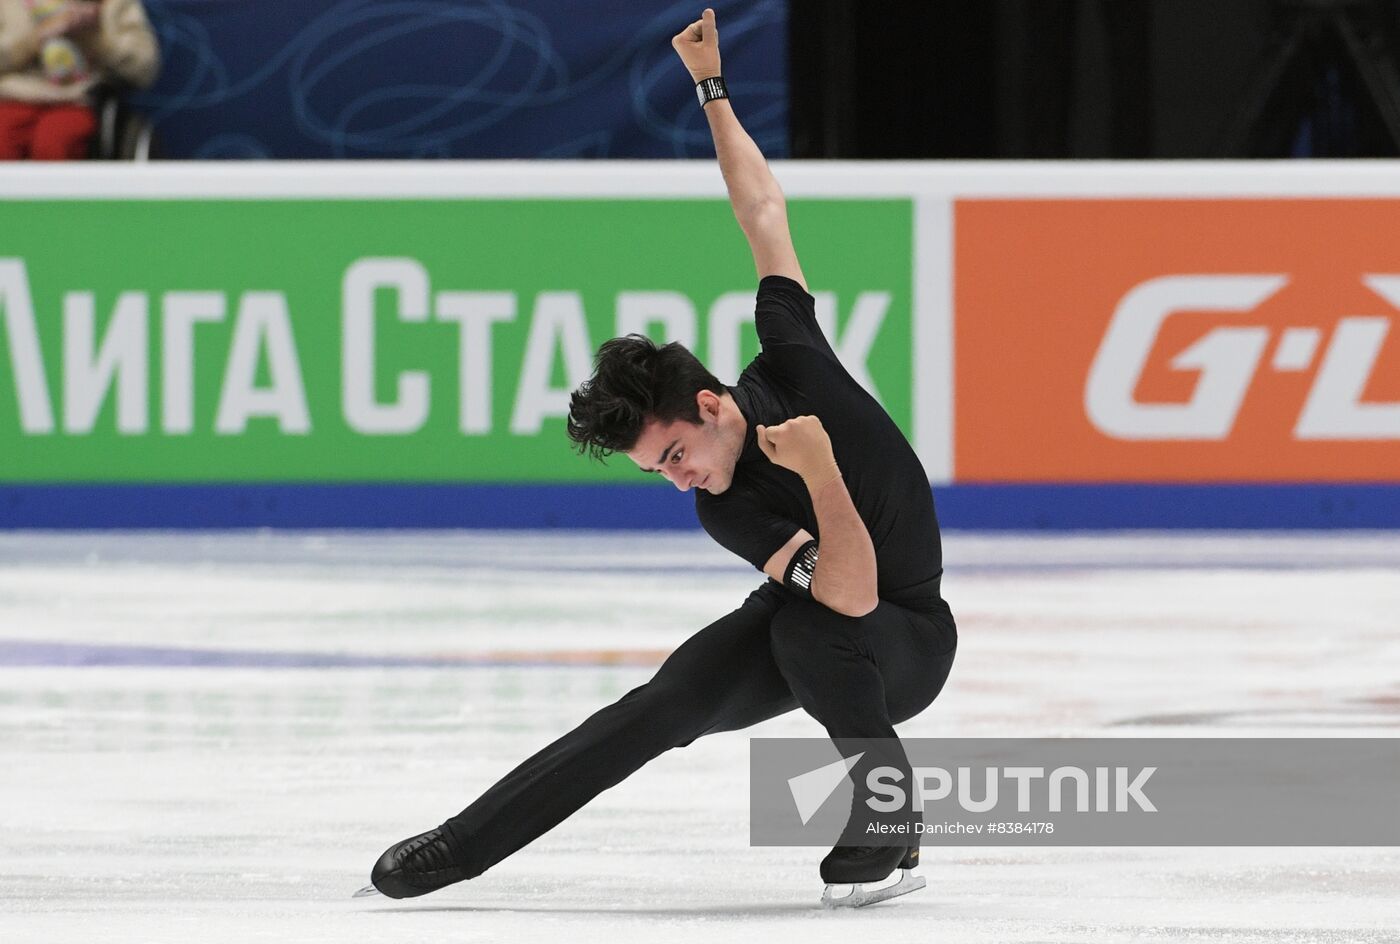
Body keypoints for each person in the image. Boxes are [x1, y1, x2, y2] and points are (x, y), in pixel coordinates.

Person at [363, 8, 957, 906]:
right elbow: (827, 587)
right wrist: (820, 476)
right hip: (828, 617)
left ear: (712, 405)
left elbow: (761, 207)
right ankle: (460, 844)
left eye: (676, 451)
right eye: (659, 471)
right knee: (660, 705)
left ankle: (890, 818)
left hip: (908, 639)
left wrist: (712, 90)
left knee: (806, 626)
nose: (678, 479)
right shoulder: (725, 506)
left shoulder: (790, 351)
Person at [0, 0, 159, 160]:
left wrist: (95, 38)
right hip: (14, 96)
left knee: (53, 143)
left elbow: (143, 68)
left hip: (79, 100)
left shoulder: (113, 4)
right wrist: (36, 38)